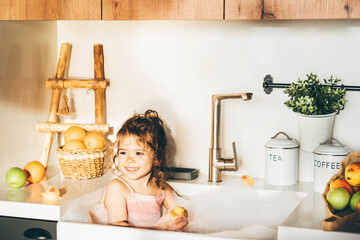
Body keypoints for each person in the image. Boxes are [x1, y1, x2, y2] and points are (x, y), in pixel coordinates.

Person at [101, 109, 188, 230]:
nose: (130, 159)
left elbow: (185, 214)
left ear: (156, 158)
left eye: (138, 153)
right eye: (123, 152)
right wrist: (159, 229)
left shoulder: (161, 188)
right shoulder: (118, 187)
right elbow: (119, 232)